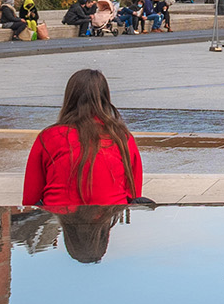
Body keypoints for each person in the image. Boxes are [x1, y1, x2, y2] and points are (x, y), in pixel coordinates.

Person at [22, 68, 144, 208]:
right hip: (107, 217)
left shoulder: (48, 137)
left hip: (60, 218)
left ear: (69, 98)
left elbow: (30, 200)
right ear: (105, 99)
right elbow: (133, 194)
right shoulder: (121, 137)